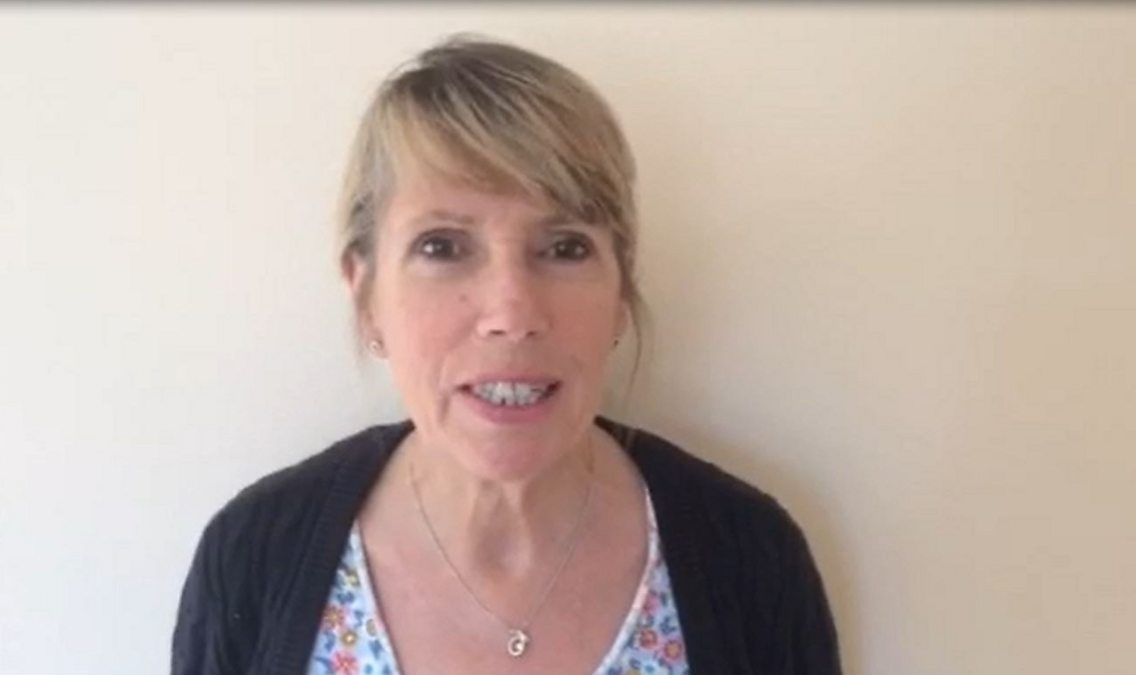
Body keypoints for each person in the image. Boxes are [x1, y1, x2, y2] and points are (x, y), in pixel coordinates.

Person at [171, 35, 841, 675]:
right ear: (366, 293)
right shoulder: (252, 556)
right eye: (442, 246)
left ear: (620, 292)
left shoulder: (752, 559)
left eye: (565, 248)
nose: (512, 315)